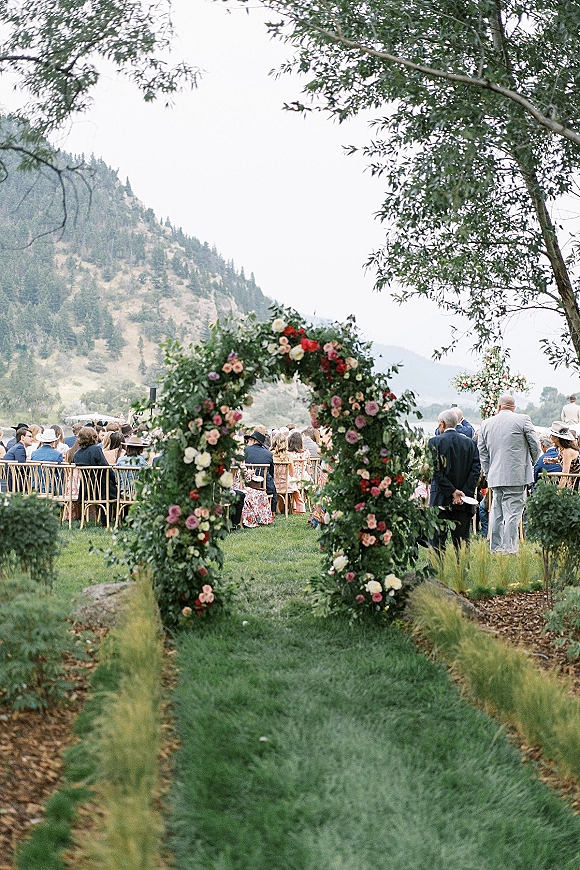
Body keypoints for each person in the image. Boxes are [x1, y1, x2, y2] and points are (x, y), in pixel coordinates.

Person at [478, 394, 541, 554]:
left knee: (496, 512)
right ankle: (509, 548)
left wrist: (488, 470)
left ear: (498, 407)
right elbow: (535, 445)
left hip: (495, 475)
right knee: (513, 513)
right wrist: (531, 464)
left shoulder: (486, 424)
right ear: (514, 407)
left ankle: (495, 548)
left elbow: (483, 452)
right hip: (517, 475)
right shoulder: (523, 419)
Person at [428, 409, 481, 550]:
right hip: (464, 500)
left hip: (440, 497)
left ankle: (437, 570)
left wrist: (452, 491)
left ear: (442, 424)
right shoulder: (470, 444)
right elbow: (476, 470)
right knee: (462, 542)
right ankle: (462, 570)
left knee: (437, 542)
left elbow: (435, 471)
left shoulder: (434, 442)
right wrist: (463, 492)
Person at [271, 431, 306, 514]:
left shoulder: (270, 455)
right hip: (285, 484)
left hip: (273, 483)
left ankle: (278, 506)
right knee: (292, 482)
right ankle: (289, 507)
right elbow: (292, 473)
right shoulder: (288, 456)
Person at [244, 430, 277, 512]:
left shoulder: (244, 450)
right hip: (264, 485)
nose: (248, 442)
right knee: (270, 478)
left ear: (254, 441)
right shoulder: (268, 454)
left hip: (246, 483)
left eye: (250, 440)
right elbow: (272, 471)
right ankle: (272, 511)